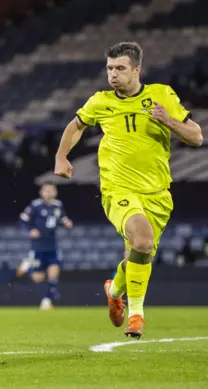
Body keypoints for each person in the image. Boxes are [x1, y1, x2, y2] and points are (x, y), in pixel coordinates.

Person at [54, 42, 203, 338]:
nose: (113, 74)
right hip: (118, 188)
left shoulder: (161, 95)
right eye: (109, 68)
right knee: (142, 239)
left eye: (120, 68)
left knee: (141, 252)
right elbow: (76, 126)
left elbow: (196, 137)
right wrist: (61, 156)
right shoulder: (100, 101)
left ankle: (115, 290)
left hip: (157, 193)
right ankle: (137, 317)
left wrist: (168, 121)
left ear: (137, 70)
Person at [17, 183, 73, 311]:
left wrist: (66, 222)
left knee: (54, 273)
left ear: (55, 192)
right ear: (41, 193)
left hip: (52, 245)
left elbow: (62, 218)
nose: (49, 193)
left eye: (51, 190)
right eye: (46, 190)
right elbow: (22, 220)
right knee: (38, 277)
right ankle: (28, 265)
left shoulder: (58, 205)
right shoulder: (35, 205)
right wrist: (30, 231)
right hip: (38, 246)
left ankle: (46, 301)